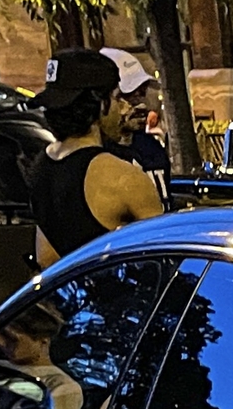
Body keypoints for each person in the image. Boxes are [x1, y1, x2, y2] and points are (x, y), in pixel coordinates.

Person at [25, 47, 164, 267]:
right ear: (100, 104)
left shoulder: (40, 167)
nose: (122, 107)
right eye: (117, 97)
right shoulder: (123, 178)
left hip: (68, 298)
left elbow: (45, 258)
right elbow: (163, 259)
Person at [102, 46, 171, 176]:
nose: (141, 104)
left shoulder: (152, 150)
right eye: (129, 95)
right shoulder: (98, 159)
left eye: (142, 92)